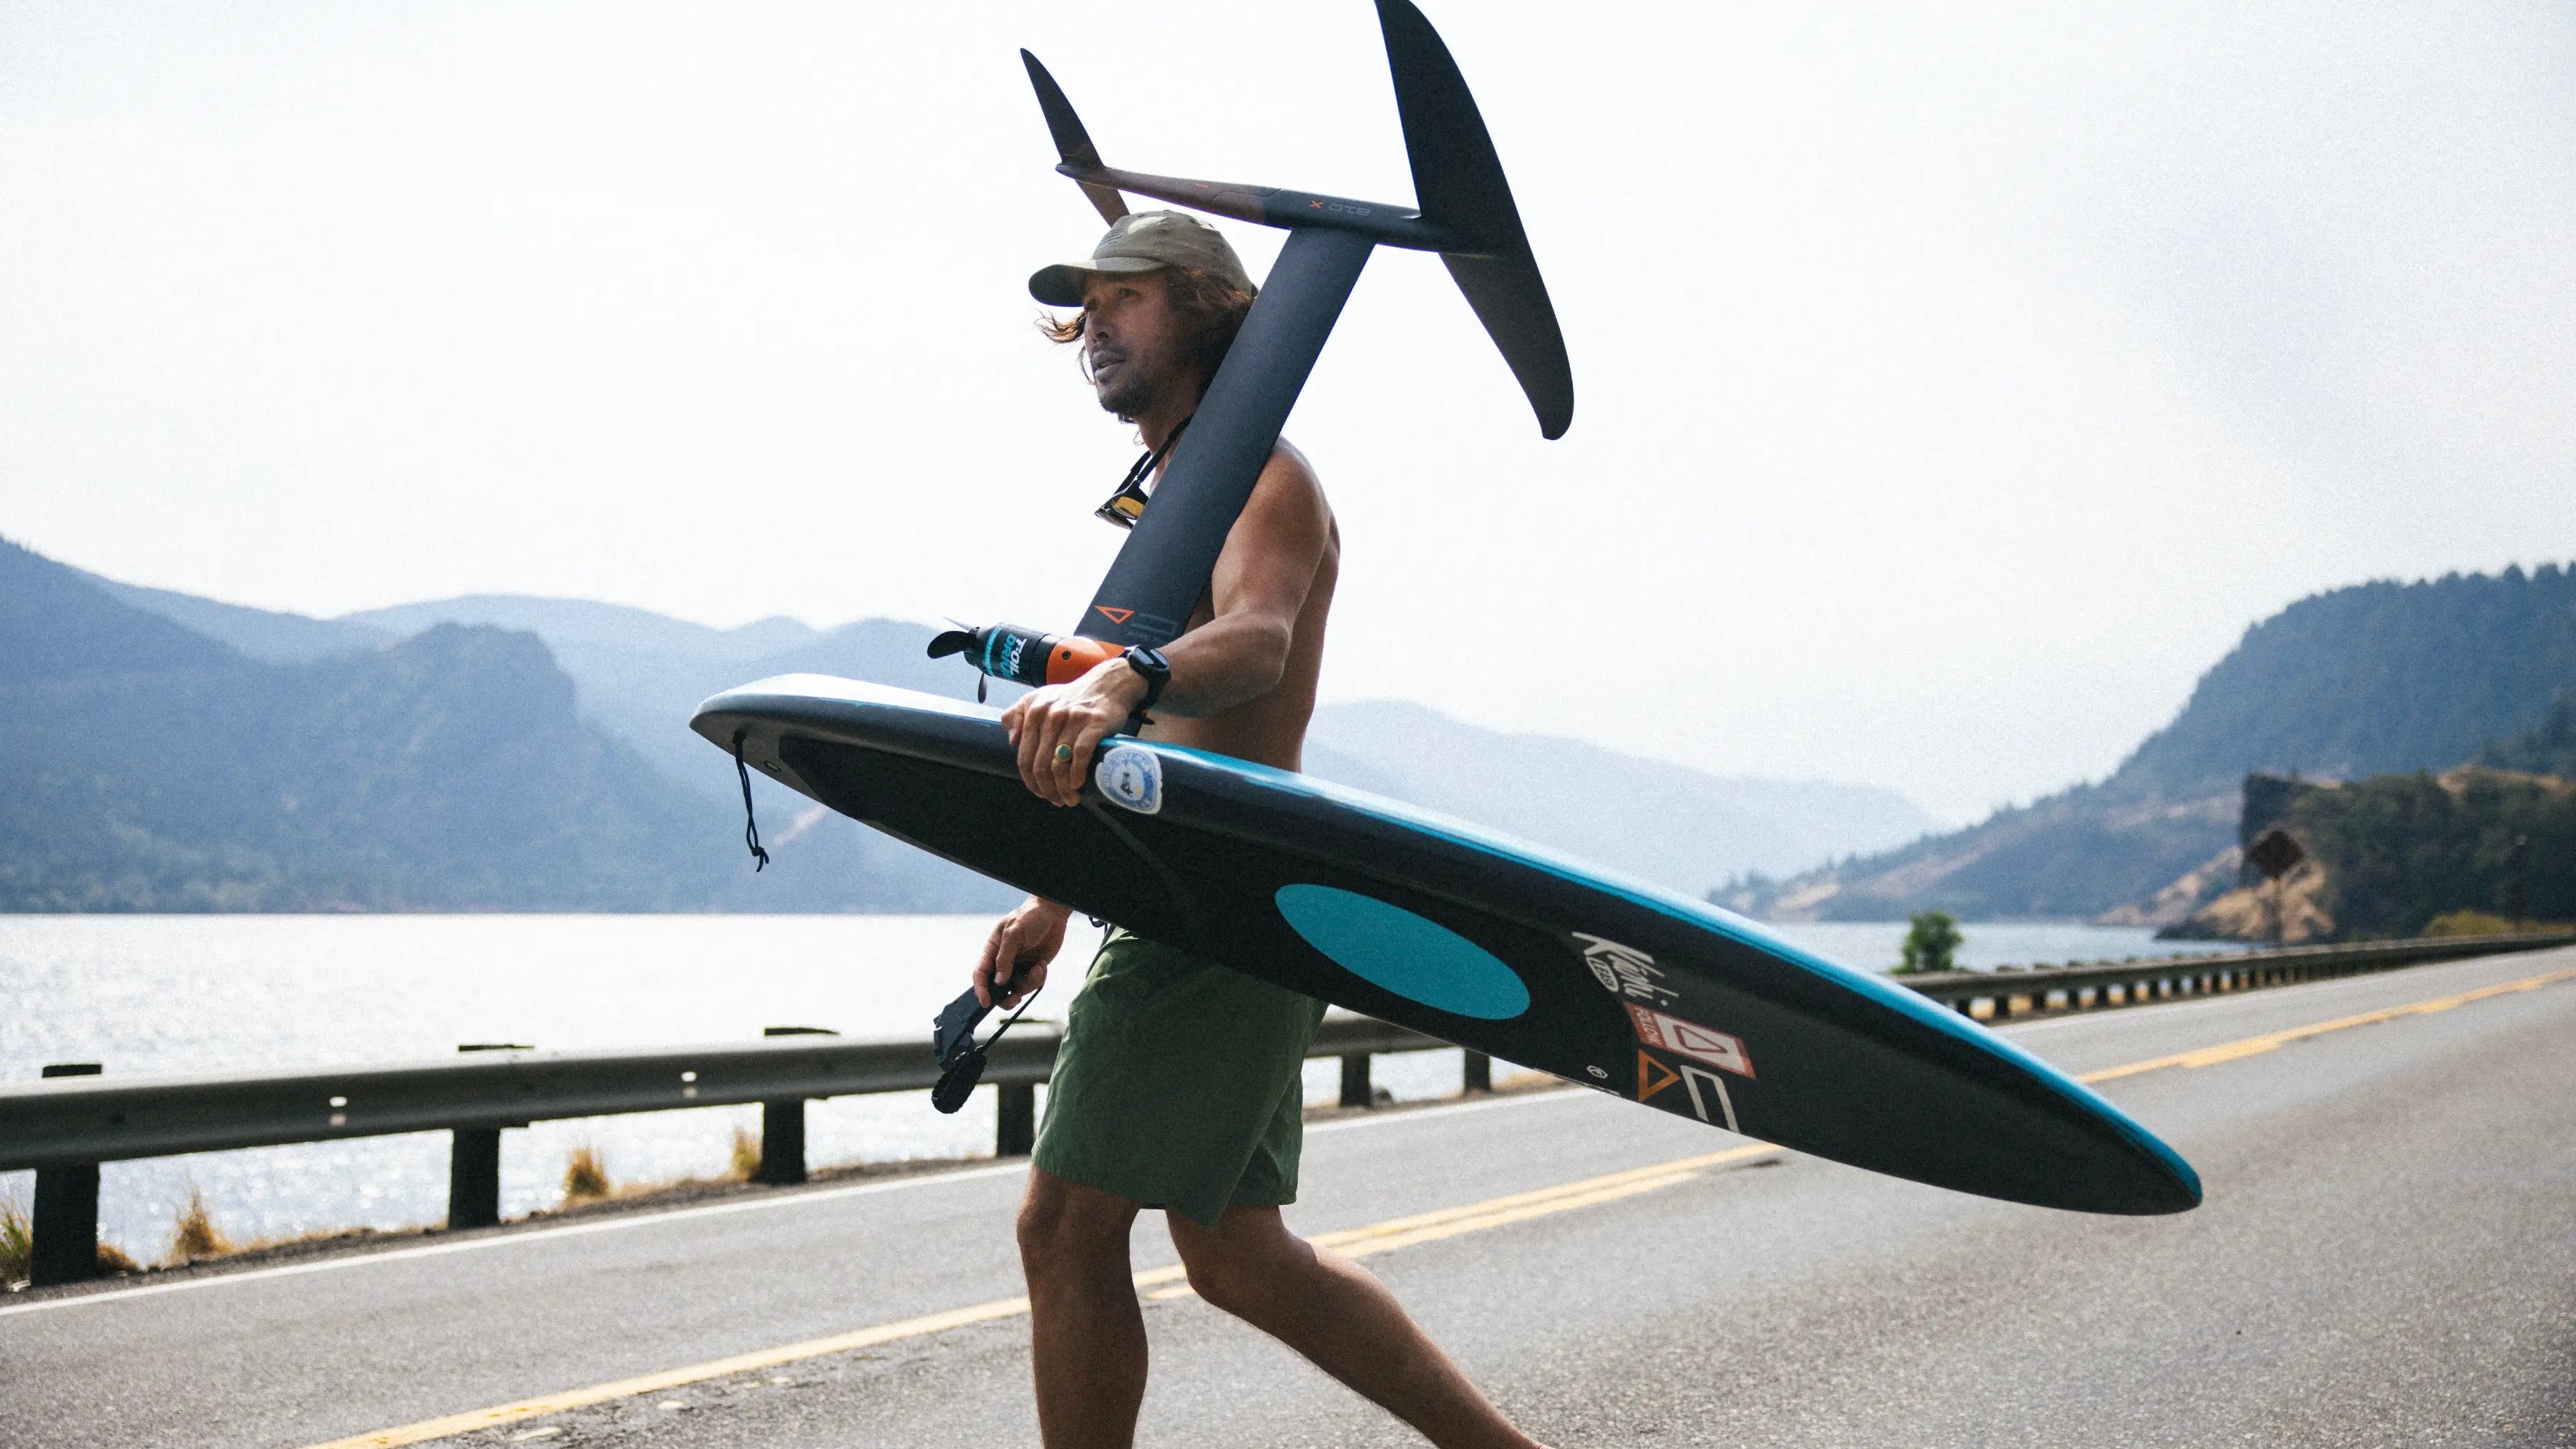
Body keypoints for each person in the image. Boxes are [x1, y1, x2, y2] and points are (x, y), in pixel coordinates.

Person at [969, 210, 1549, 1449]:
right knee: (1238, 1252)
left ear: (1207, 307)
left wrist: (1123, 678)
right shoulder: (1179, 489)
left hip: (1217, 895)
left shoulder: (1264, 478)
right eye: (1090, 305)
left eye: (1127, 298)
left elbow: (1254, 643)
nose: (1097, 328)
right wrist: (1054, 897)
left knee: (1064, 1225)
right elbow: (1136, 733)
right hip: (1196, 882)